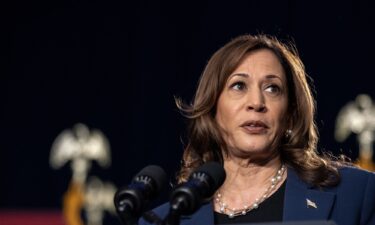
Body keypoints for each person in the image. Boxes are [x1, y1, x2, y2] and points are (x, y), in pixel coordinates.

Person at [139, 34, 375, 225]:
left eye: (273, 89)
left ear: (290, 113)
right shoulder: (165, 220)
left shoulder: (357, 194)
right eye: (238, 86)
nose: (257, 102)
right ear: (212, 109)